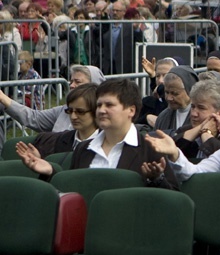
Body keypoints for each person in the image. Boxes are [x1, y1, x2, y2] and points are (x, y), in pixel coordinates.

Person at [17, 79, 178, 189]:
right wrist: (52, 173)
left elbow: (172, 198)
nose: (101, 110)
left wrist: (157, 178)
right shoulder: (84, 148)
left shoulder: (150, 148)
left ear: (131, 110)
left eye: (109, 105)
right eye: (99, 105)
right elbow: (75, 192)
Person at [0, 65, 104, 135]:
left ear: (94, 85)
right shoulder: (63, 110)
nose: (72, 85)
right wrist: (3, 98)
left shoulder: (104, 116)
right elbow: (34, 118)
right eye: (71, 81)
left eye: (77, 82)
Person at [173, 79, 220, 160]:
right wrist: (200, 128)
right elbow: (170, 150)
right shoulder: (185, 131)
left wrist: (206, 133)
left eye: (201, 108)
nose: (193, 114)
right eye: (193, 107)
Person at [30, 83, 100, 158]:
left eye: (80, 112)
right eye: (69, 111)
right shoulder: (59, 141)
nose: (73, 117)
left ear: (96, 112)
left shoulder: (107, 143)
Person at [154, 65, 198, 135]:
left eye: (175, 93)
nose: (169, 98)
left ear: (189, 90)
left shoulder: (199, 116)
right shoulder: (163, 117)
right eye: (167, 92)